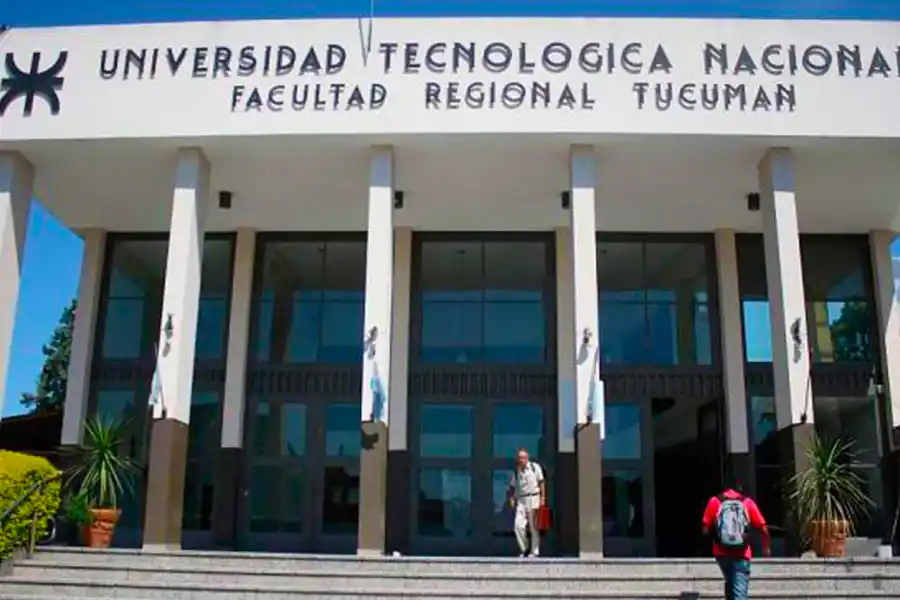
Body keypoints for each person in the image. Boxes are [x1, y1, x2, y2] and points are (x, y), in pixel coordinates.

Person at [701, 478, 771, 600]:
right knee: (739, 591)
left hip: (721, 552)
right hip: (742, 553)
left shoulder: (715, 501)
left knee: (730, 582)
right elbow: (763, 528)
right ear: (740, 488)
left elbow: (705, 530)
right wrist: (766, 547)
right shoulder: (747, 502)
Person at [506, 448, 546, 557]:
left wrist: (543, 498)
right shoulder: (517, 471)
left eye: (523, 457)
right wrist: (511, 498)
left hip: (534, 498)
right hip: (521, 500)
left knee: (534, 527)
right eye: (519, 458)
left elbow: (541, 482)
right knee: (518, 526)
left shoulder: (534, 467)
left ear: (527, 458)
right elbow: (512, 486)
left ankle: (535, 551)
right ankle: (524, 548)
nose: (521, 460)